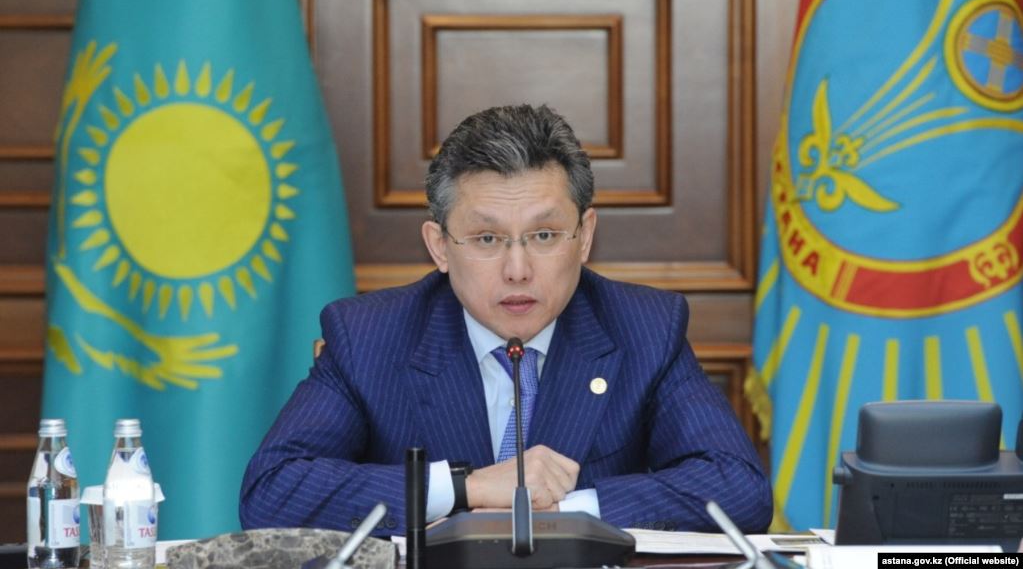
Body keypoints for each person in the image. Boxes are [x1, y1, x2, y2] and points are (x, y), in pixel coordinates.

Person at [239, 104, 772, 536]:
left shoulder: (645, 328)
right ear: (440, 246)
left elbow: (738, 488)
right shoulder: (369, 336)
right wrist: (465, 489)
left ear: (584, 236)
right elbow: (273, 491)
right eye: (487, 238)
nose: (518, 270)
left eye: (544, 236)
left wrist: (564, 510)